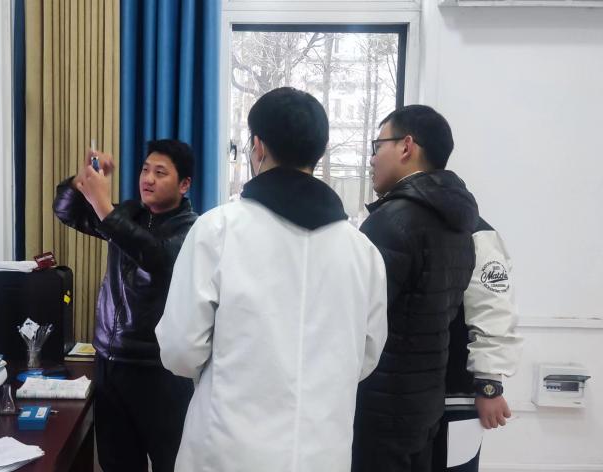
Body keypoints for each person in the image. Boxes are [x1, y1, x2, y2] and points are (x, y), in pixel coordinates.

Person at [155, 87, 388, 471]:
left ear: (258, 147)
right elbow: (366, 357)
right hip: (321, 453)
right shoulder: (363, 253)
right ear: (319, 152)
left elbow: (180, 349)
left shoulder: (218, 230)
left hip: (227, 451)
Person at [53, 139, 197, 472]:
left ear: (184, 184)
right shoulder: (131, 214)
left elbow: (155, 256)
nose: (148, 179)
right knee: (117, 463)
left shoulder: (192, 228)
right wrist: (84, 178)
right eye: (145, 170)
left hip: (159, 370)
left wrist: (104, 207)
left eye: (160, 173)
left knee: (171, 463)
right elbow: (66, 211)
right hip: (111, 363)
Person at [353, 104, 479, 472]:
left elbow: (358, 321)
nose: (372, 159)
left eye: (378, 146)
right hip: (424, 402)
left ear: (406, 146)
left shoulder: (391, 222)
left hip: (380, 407)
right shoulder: (459, 225)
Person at [431, 217, 524, 471]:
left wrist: (489, 384)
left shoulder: (475, 232)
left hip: (458, 395)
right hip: (411, 392)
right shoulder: (405, 221)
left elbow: (493, 311)